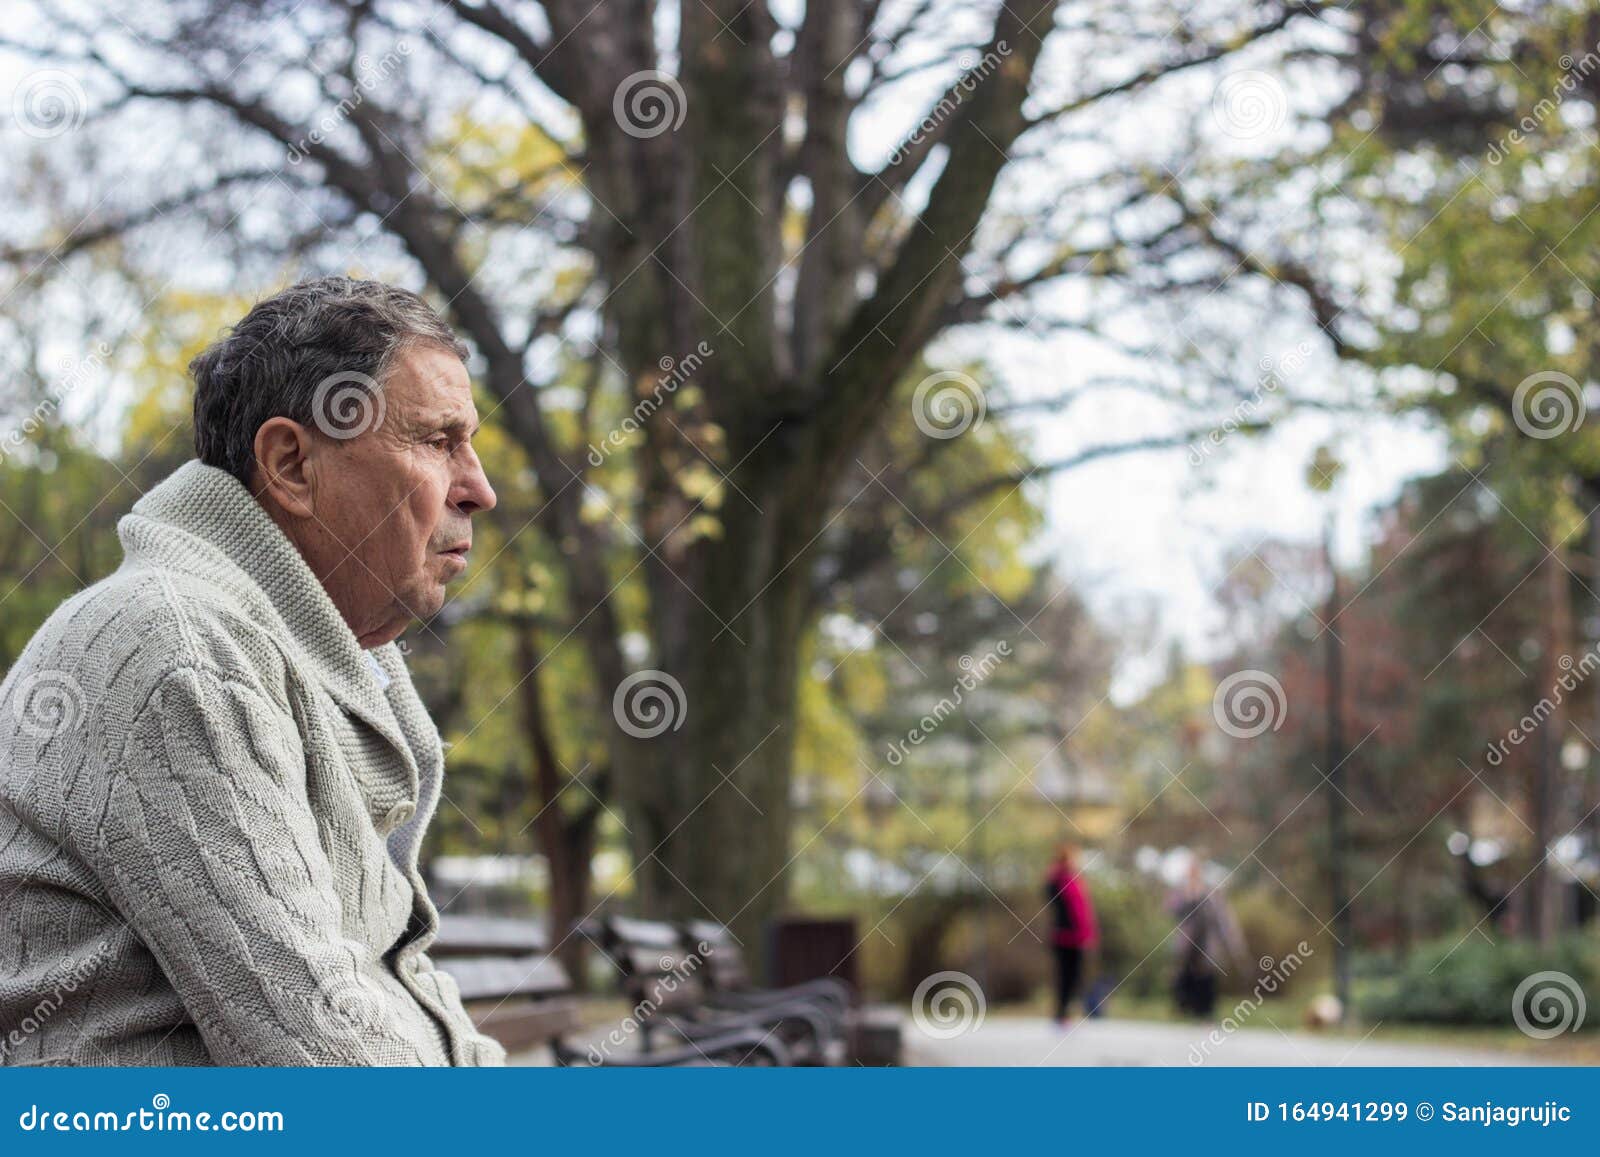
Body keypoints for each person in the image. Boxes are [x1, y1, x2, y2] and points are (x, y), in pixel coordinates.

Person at [0, 278, 507, 1066]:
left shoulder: (318, 653)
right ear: (291, 463)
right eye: (438, 441)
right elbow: (326, 1056)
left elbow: (398, 986)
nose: (480, 488)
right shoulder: (177, 647)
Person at [1167, 858, 1248, 1021]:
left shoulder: (1212, 893)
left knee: (1205, 977)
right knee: (1183, 977)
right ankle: (1183, 1011)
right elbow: (1171, 910)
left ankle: (1205, 1012)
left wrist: (1235, 946)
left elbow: (1223, 920)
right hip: (1187, 945)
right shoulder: (1181, 892)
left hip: (1206, 945)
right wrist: (1188, 896)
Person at [1043, 844, 1099, 1024]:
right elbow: (1079, 911)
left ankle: (1064, 1012)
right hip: (1071, 936)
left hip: (1062, 935)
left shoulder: (1054, 880)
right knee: (1070, 976)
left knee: (1066, 976)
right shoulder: (1067, 881)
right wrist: (1087, 934)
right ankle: (1063, 1012)